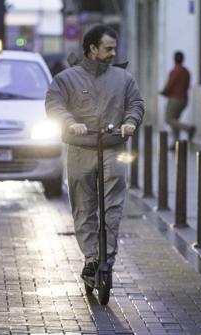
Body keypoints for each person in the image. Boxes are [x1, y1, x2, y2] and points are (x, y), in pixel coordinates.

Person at [45, 25, 144, 278]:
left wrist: (130, 122)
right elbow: (54, 104)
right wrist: (70, 123)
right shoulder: (67, 79)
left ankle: (106, 257)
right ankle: (90, 256)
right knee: (84, 205)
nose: (113, 53)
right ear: (92, 49)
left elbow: (135, 103)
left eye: (114, 48)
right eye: (108, 48)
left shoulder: (124, 79)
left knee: (113, 205)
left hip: (114, 147)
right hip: (80, 149)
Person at [160, 51, 195, 149]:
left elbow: (170, 84)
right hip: (184, 99)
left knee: (169, 119)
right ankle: (176, 143)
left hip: (175, 98)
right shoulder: (186, 71)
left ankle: (188, 128)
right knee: (175, 120)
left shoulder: (175, 71)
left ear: (174, 59)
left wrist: (164, 92)